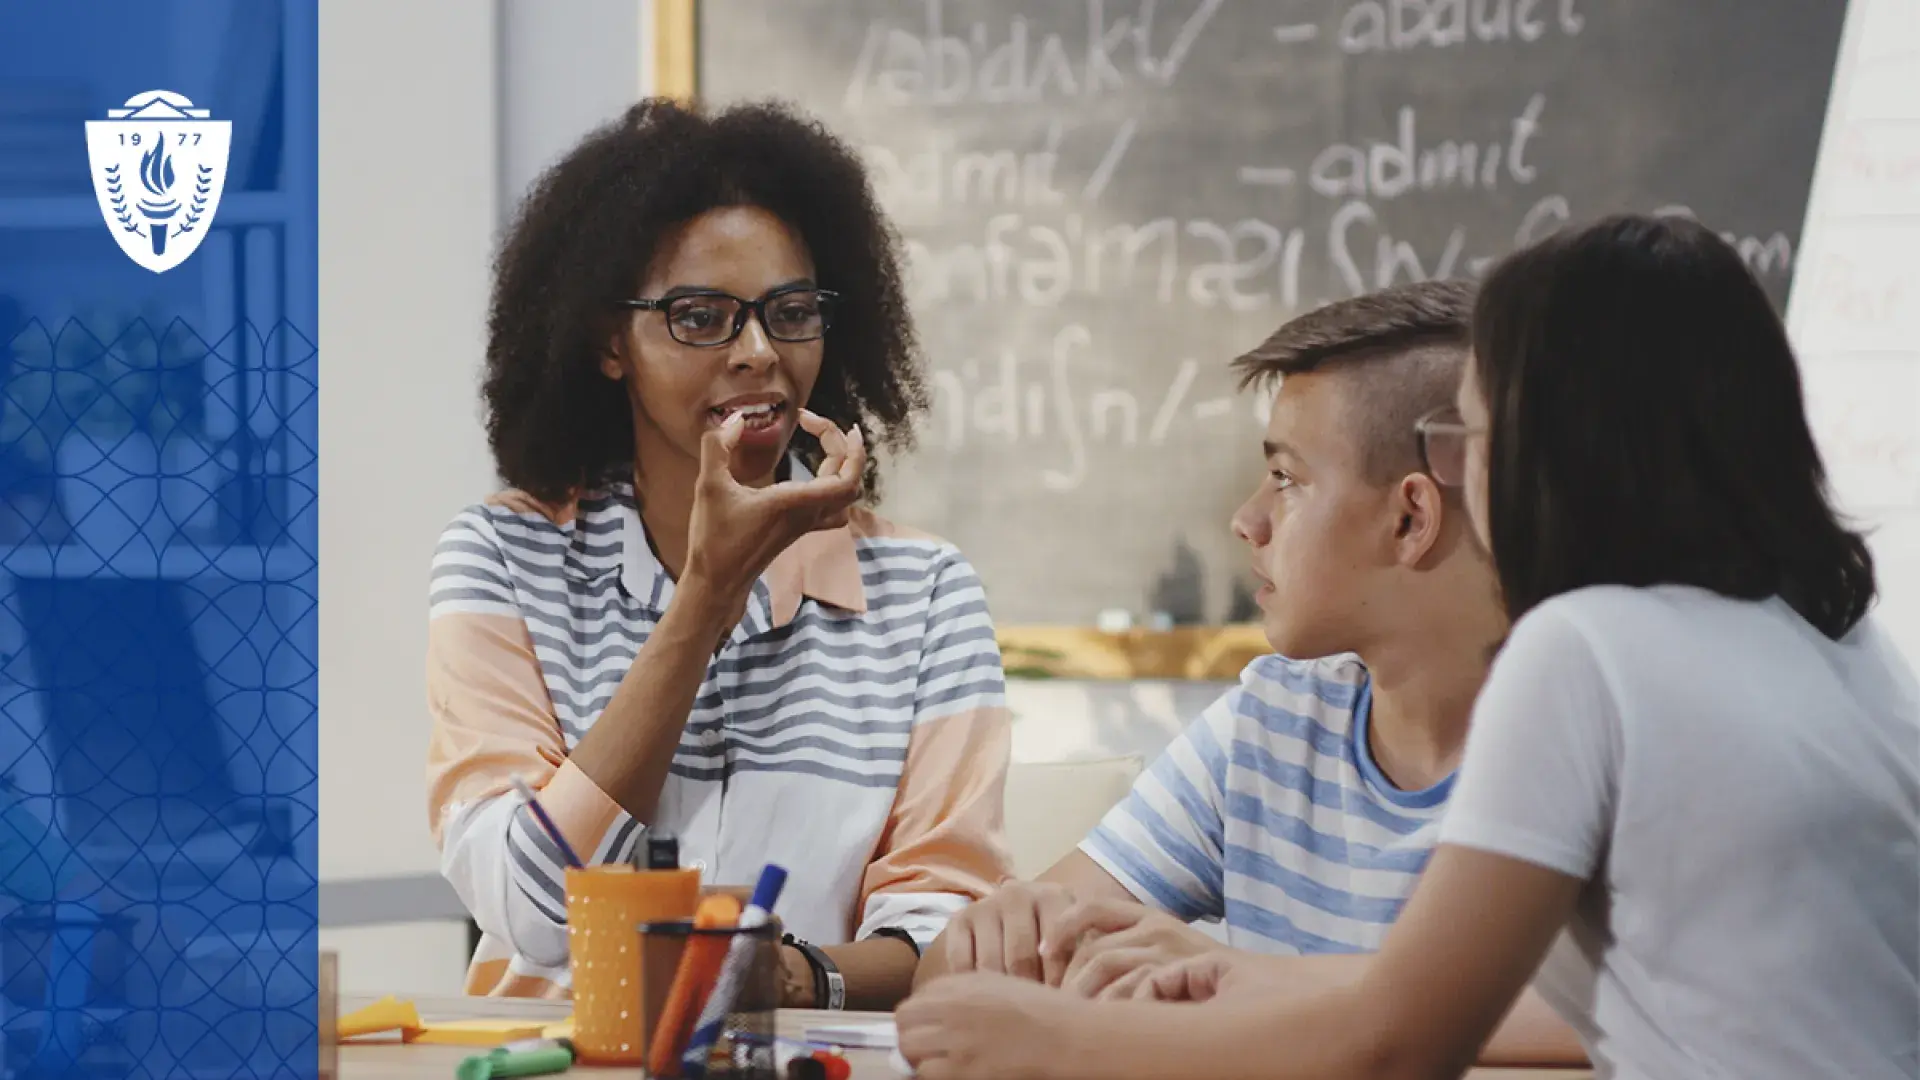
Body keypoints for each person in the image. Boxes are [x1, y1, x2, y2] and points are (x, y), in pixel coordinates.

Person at [897, 214, 1920, 1080]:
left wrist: (1068, 1041)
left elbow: (1396, 1038)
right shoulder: (1833, 638)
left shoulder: (1586, 650)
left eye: (1480, 438)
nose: (1472, 482)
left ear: (1563, 450)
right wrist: (1232, 977)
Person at [425, 99, 1014, 1008]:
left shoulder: (926, 594)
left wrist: (794, 976)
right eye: (701, 316)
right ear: (608, 342)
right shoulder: (503, 557)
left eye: (791, 312)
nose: (757, 352)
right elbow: (535, 910)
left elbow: (945, 933)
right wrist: (706, 597)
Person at [915, 280, 1583, 1066]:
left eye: (1288, 479)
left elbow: (1599, 1014)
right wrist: (993, 939)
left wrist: (1245, 980)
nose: (1247, 519)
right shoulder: (1270, 723)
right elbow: (946, 981)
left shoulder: (1584, 742)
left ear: (1410, 518)